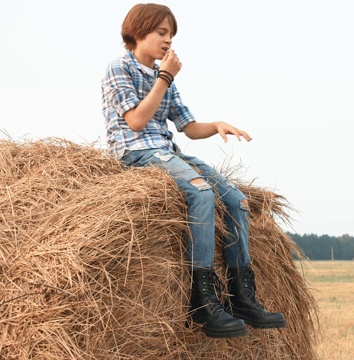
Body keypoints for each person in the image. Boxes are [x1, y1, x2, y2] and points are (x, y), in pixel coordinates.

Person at [100, 3, 286, 338]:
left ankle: (243, 296)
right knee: (200, 192)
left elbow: (187, 126)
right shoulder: (120, 68)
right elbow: (137, 121)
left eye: (171, 35)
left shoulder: (163, 77)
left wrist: (216, 125)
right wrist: (165, 77)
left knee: (236, 200)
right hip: (135, 151)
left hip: (168, 151)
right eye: (162, 33)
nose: (168, 41)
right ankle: (202, 302)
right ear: (138, 31)